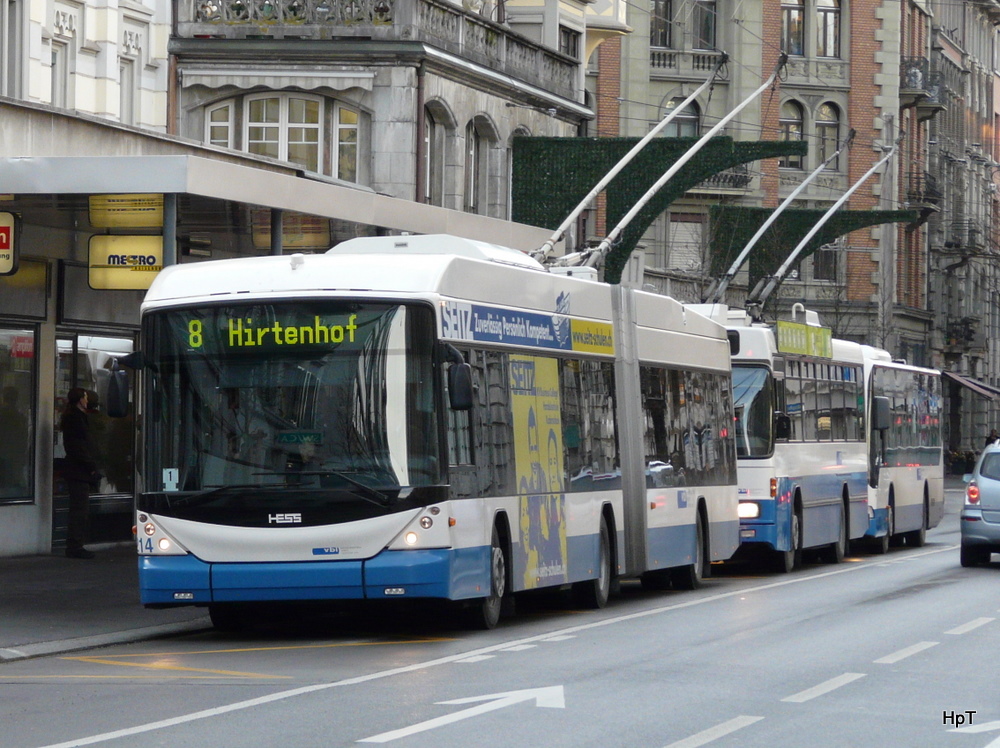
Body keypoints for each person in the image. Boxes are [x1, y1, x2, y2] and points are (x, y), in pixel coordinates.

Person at [60, 387, 100, 559]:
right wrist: (90, 465)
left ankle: (75, 544)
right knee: (79, 509)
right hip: (79, 470)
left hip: (78, 469)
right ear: (80, 400)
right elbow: (78, 446)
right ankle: (75, 546)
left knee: (79, 508)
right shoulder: (76, 419)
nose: (87, 399)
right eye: (85, 397)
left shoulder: (75, 417)